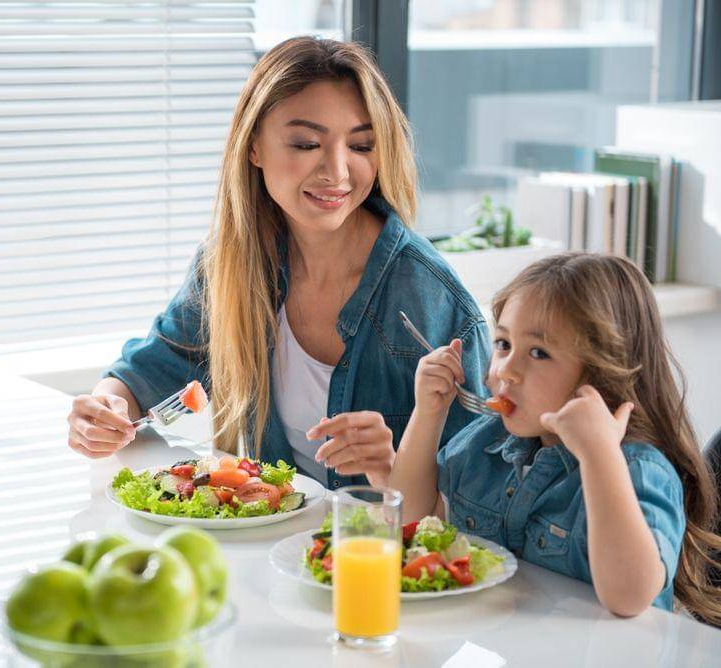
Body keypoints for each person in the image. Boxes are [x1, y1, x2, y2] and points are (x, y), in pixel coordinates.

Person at [67, 37, 491, 490]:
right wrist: (104, 410)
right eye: (307, 143)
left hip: (379, 556)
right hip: (280, 553)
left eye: (362, 146)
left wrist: (392, 469)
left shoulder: (432, 303)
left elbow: (476, 498)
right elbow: (153, 368)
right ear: (254, 148)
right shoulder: (235, 263)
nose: (338, 171)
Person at [388, 252, 721, 622]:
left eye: (538, 352)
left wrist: (599, 456)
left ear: (602, 371)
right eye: (503, 344)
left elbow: (629, 598)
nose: (507, 371)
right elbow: (411, 520)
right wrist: (428, 415)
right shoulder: (488, 440)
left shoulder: (637, 469)